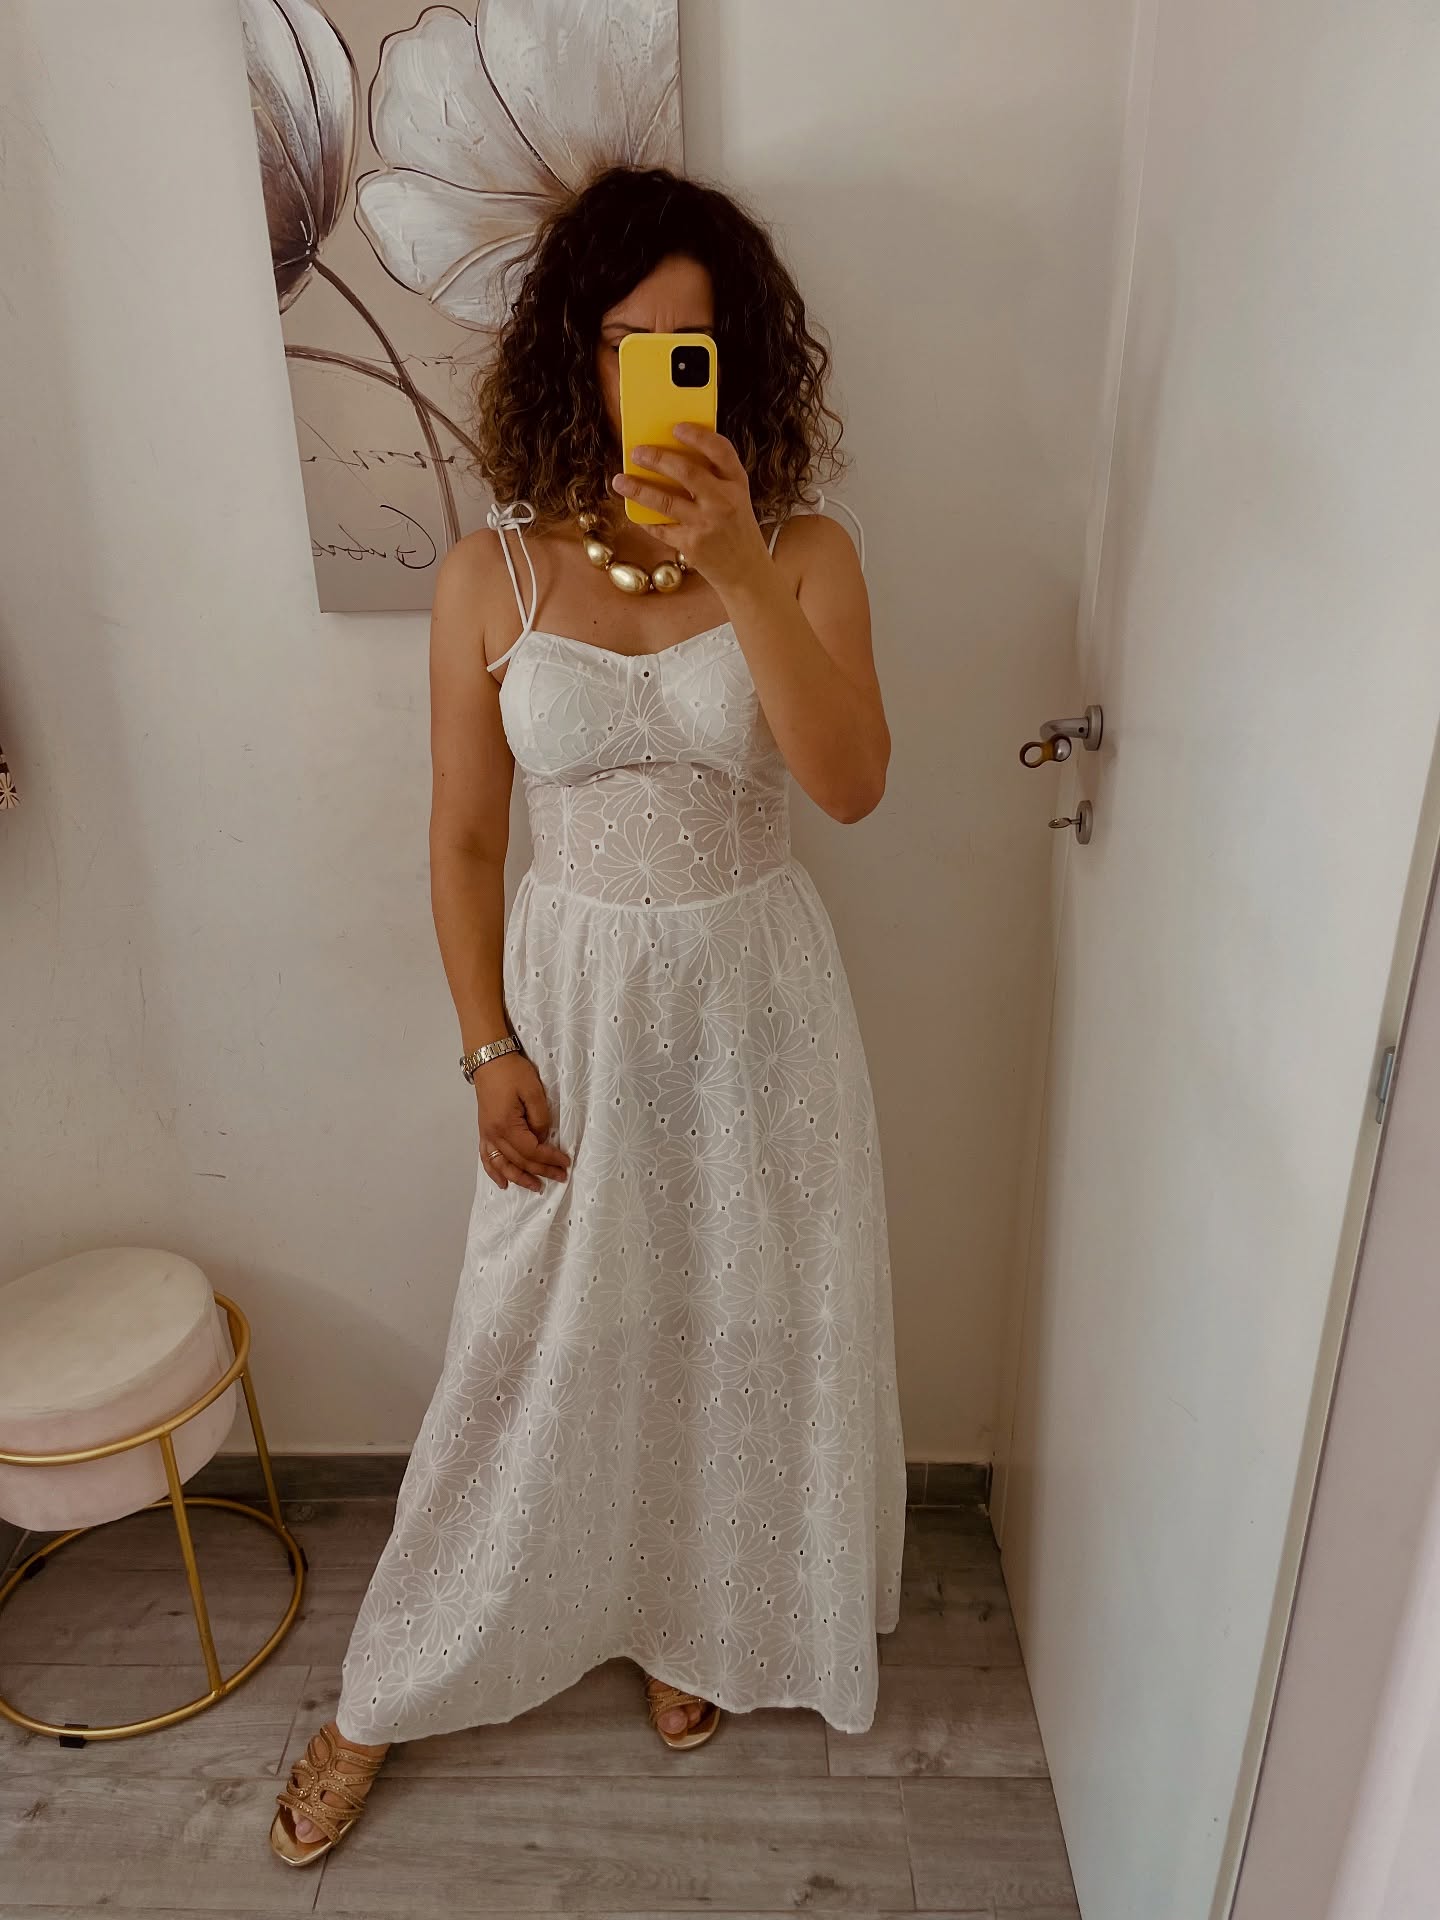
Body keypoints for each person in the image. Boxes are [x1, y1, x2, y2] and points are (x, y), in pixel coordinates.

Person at [270, 162, 907, 1866]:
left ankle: (695, 1617)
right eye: (630, 342)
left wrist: (743, 569)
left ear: (738, 364)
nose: (657, 375)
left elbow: (851, 784)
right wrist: (486, 1045)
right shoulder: (491, 576)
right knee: (526, 1341)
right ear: (578, 351)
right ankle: (380, 1693)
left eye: (690, 346)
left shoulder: (811, 554)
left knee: (735, 1320)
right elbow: (465, 839)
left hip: (756, 1005)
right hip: (570, 1012)